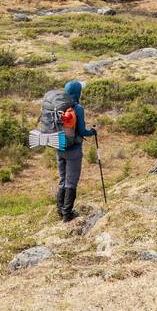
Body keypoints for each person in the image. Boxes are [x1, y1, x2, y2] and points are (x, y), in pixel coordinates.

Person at [56, 80, 97, 221]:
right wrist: (92, 132)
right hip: (73, 149)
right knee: (71, 181)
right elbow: (82, 131)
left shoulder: (58, 104)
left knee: (62, 179)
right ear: (77, 92)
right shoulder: (77, 108)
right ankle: (67, 214)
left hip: (59, 146)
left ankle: (60, 210)